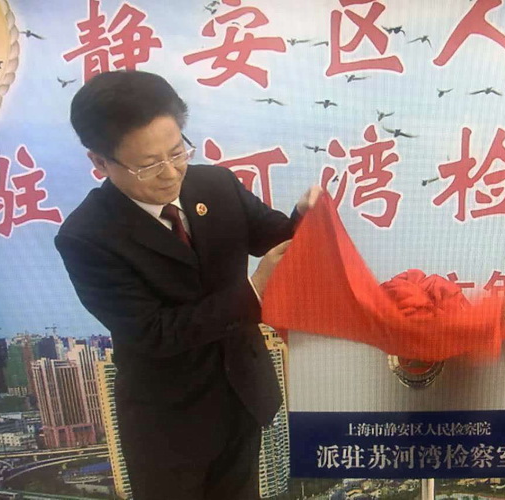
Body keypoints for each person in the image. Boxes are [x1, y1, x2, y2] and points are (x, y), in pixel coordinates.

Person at [55, 70, 320, 499]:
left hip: (243, 395)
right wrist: (254, 291)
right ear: (100, 162)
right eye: (148, 165)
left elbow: (276, 238)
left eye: (177, 151)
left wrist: (305, 217)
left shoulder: (215, 185)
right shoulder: (87, 236)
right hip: (168, 425)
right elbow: (154, 332)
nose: (170, 173)